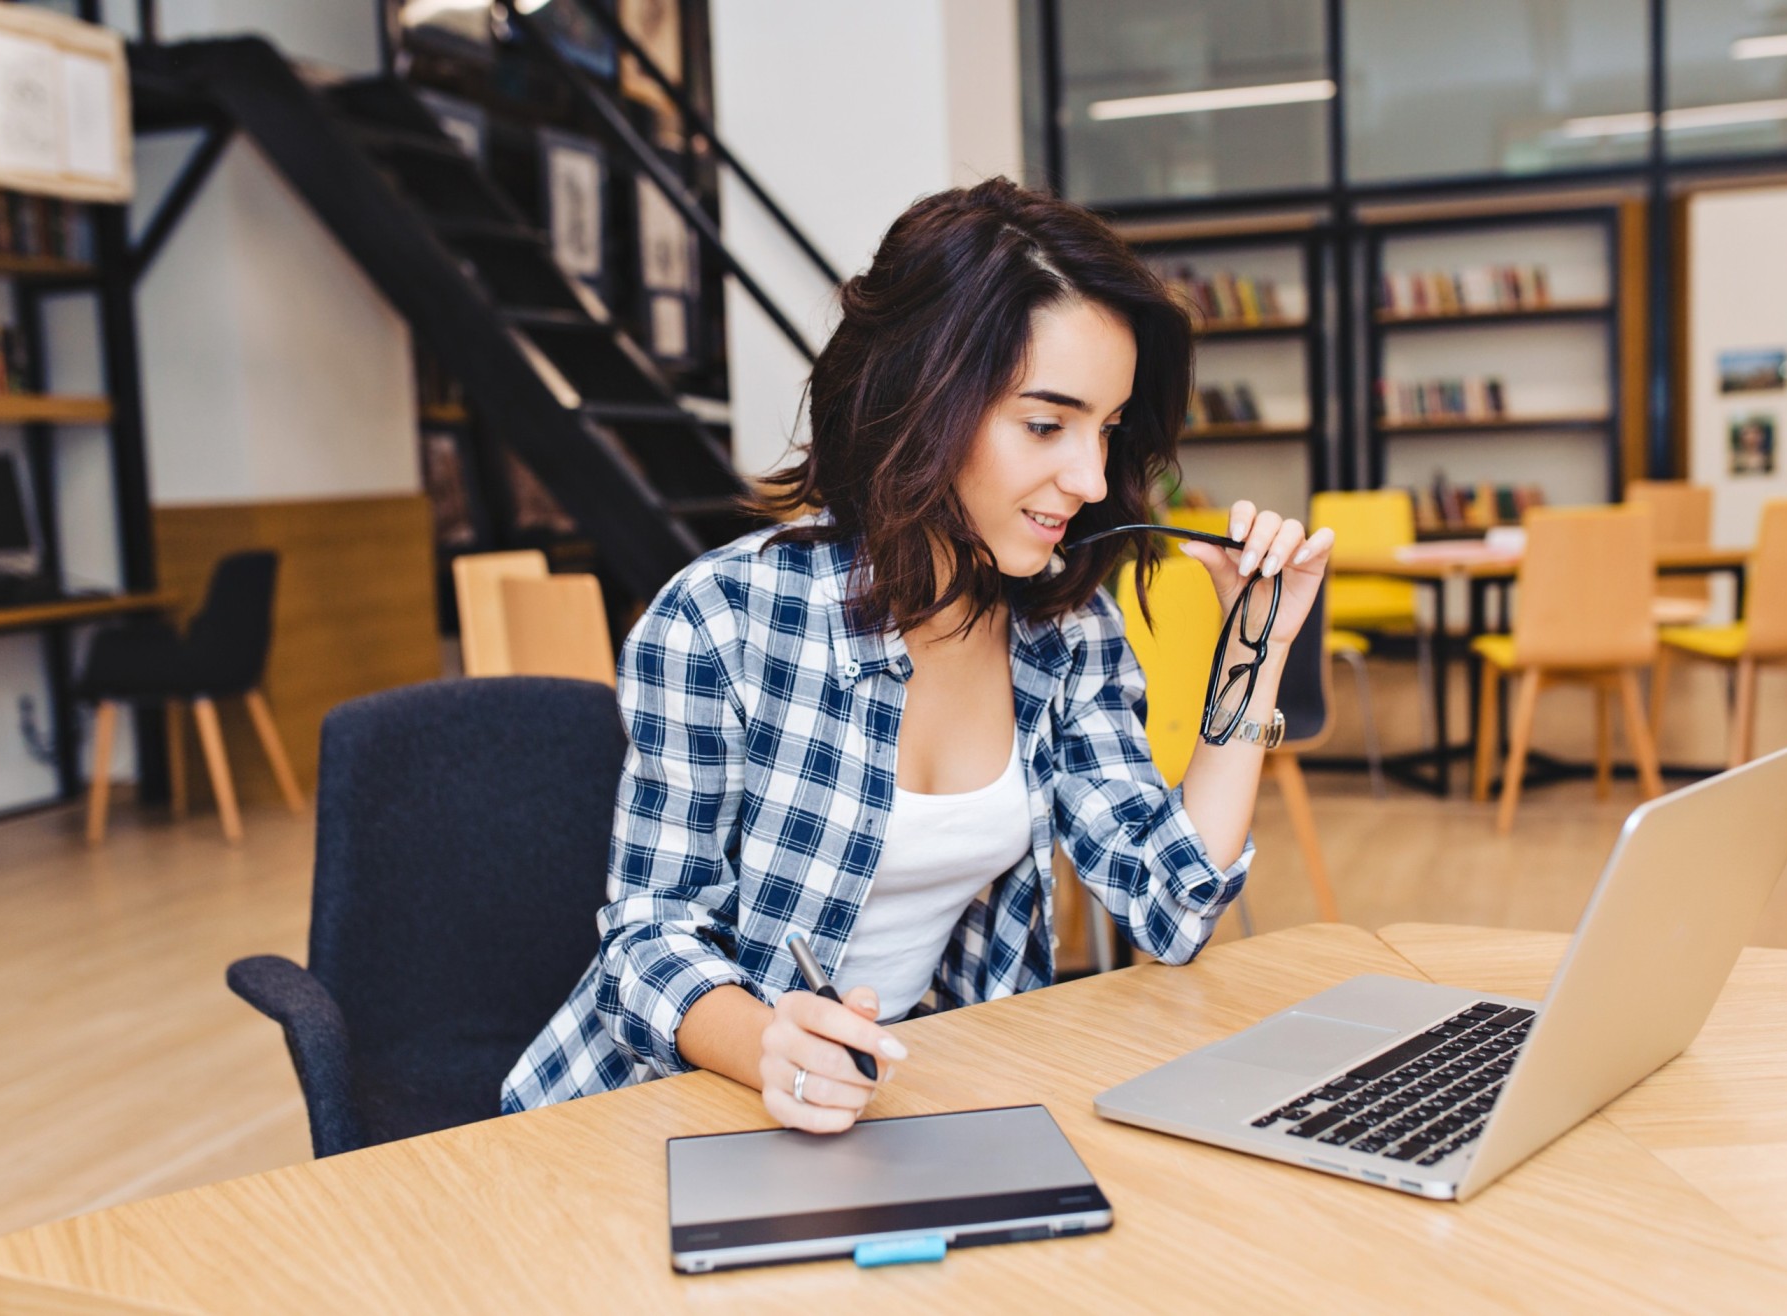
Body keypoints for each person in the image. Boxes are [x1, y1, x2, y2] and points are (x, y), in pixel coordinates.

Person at [502, 178, 1333, 1131]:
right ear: (923, 401)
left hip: (906, 1103)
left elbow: (1168, 913)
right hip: (661, 1111)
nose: (1092, 478)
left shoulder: (1066, 634)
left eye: (1105, 431)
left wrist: (1254, 650)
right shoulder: (723, 620)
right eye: (1046, 424)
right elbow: (649, 940)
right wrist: (771, 1044)